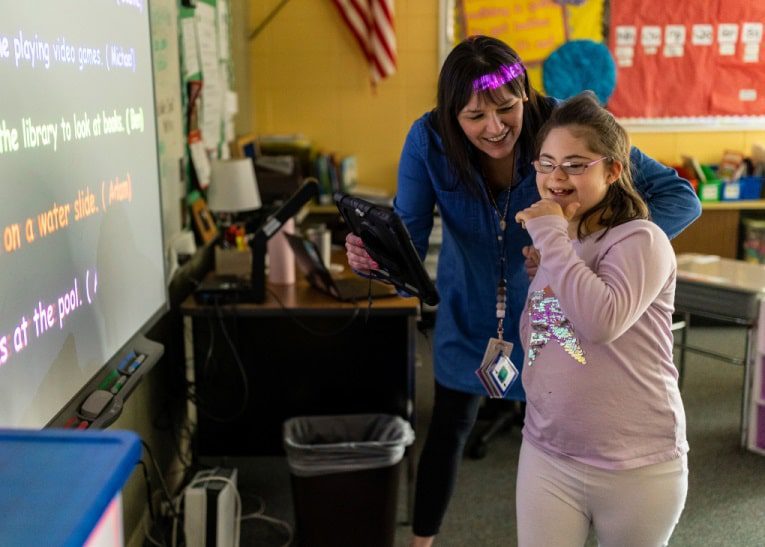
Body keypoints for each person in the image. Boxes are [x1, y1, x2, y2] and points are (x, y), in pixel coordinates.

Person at [344, 35, 700, 546]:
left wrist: (596, 246)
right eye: (473, 116)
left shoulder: (566, 132)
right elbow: (409, 242)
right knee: (447, 429)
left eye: (507, 109)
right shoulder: (429, 141)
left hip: (560, 316)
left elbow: (678, 197)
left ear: (527, 97)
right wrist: (375, 259)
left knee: (568, 422)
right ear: (451, 115)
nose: (494, 129)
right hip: (471, 315)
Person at [514, 91, 688, 546]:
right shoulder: (562, 242)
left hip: (637, 465)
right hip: (547, 452)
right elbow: (550, 338)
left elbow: (601, 322)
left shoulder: (643, 239)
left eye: (575, 163)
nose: (556, 177)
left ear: (612, 169)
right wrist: (549, 266)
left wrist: (552, 240)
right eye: (546, 163)